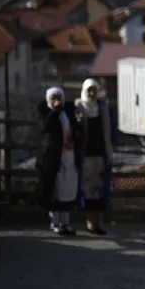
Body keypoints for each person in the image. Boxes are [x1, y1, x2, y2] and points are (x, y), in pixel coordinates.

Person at [36, 87, 83, 236]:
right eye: (53, 98)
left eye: (59, 97)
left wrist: (74, 139)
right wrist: (54, 111)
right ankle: (55, 222)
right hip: (53, 157)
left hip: (68, 156)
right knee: (54, 189)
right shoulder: (45, 113)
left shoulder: (68, 113)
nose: (57, 100)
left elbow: (77, 129)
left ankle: (66, 222)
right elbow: (44, 128)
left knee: (67, 189)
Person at [75, 78, 114, 235]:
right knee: (88, 189)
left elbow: (108, 131)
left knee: (100, 188)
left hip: (100, 153)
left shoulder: (101, 108)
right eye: (89, 90)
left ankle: (100, 221)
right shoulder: (79, 108)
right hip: (86, 154)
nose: (92, 93)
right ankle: (90, 221)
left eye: (94, 90)